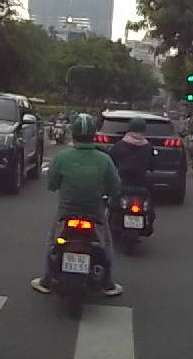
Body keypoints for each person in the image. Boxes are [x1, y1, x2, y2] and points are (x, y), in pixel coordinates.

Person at [31, 113, 124, 297]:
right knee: (106, 243)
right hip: (95, 213)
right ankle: (108, 282)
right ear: (94, 134)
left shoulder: (62, 157)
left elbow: (52, 185)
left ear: (72, 133)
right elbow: (115, 188)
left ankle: (47, 279)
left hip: (66, 212)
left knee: (52, 242)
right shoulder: (104, 160)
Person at [109, 117, 155, 189]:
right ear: (144, 130)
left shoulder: (119, 145)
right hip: (140, 184)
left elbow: (111, 161)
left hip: (122, 183)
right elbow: (152, 165)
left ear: (129, 128)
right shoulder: (148, 147)